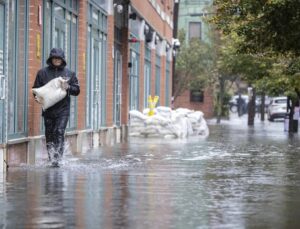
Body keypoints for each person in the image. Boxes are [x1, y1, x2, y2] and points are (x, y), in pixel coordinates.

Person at [33, 48, 80, 166]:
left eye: (59, 58)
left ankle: (58, 160)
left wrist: (68, 87)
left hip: (63, 110)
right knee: (49, 134)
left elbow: (77, 90)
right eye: (55, 58)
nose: (57, 60)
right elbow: (36, 89)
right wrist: (37, 98)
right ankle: (51, 158)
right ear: (51, 59)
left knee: (59, 131)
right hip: (48, 110)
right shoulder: (42, 73)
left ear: (62, 59)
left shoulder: (69, 73)